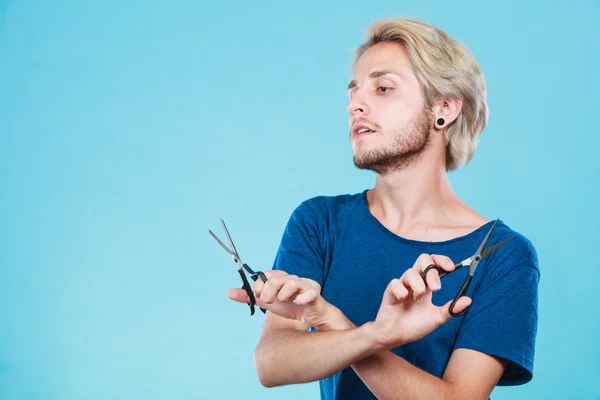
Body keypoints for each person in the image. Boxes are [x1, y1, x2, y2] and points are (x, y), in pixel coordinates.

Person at [227, 17, 539, 400]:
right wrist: (374, 334)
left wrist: (338, 325)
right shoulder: (319, 223)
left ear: (444, 108)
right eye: (354, 91)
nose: (355, 105)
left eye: (384, 88)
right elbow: (272, 363)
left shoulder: (503, 255)